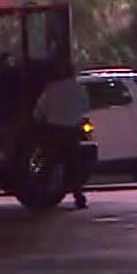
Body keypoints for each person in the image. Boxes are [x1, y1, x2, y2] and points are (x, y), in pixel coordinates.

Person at [31, 74, 91, 209]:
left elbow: (40, 110)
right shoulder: (78, 89)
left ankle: (41, 194)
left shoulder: (51, 89)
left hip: (54, 130)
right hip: (72, 131)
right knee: (73, 165)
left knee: (49, 164)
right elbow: (85, 106)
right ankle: (78, 196)